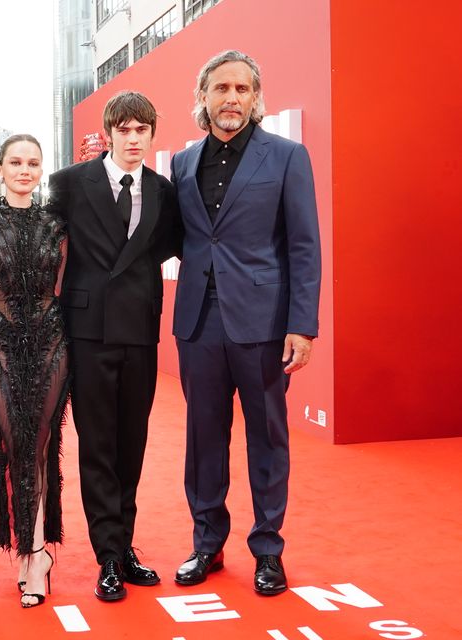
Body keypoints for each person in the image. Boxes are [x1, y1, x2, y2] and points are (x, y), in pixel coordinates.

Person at [171, 50, 321, 597]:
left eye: (241, 89)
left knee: (267, 438)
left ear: (256, 98)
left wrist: (302, 325)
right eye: (220, 88)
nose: (231, 98)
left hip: (263, 322)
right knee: (202, 440)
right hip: (198, 322)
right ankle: (206, 544)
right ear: (203, 97)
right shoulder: (183, 162)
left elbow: (304, 245)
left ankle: (267, 550)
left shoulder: (286, 157)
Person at [48, 91, 179, 602]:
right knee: (98, 445)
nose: (132, 138)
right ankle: (107, 554)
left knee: (132, 444)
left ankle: (124, 547)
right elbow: (49, 244)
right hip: (88, 331)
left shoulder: (163, 191)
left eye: (140, 130)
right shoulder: (68, 184)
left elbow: (166, 246)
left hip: (139, 331)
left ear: (150, 134)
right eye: (123, 129)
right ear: (108, 133)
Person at [0, 134, 69, 608]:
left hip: (51, 342)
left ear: (41, 169)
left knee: (41, 444)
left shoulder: (56, 224)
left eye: (33, 162)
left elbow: (65, 287)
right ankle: (27, 545)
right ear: (1, 169)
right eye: (15, 162)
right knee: (11, 444)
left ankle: (34, 554)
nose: (24, 170)